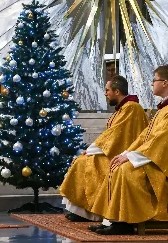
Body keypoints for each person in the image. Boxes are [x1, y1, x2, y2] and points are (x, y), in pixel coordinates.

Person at [89, 65, 168, 235]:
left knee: (126, 171)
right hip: (156, 158)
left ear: (164, 83)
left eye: (154, 80)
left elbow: (161, 142)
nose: (152, 84)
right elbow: (145, 136)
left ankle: (125, 223)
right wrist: (126, 153)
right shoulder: (166, 107)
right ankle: (113, 220)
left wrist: (131, 156)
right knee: (118, 166)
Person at [60, 75, 149, 222]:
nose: (105, 93)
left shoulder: (131, 108)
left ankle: (92, 212)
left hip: (126, 155)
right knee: (82, 161)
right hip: (117, 152)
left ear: (117, 91)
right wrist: (89, 151)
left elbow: (115, 136)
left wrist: (89, 151)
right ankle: (82, 211)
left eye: (107, 90)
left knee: (85, 163)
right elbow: (110, 136)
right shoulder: (123, 108)